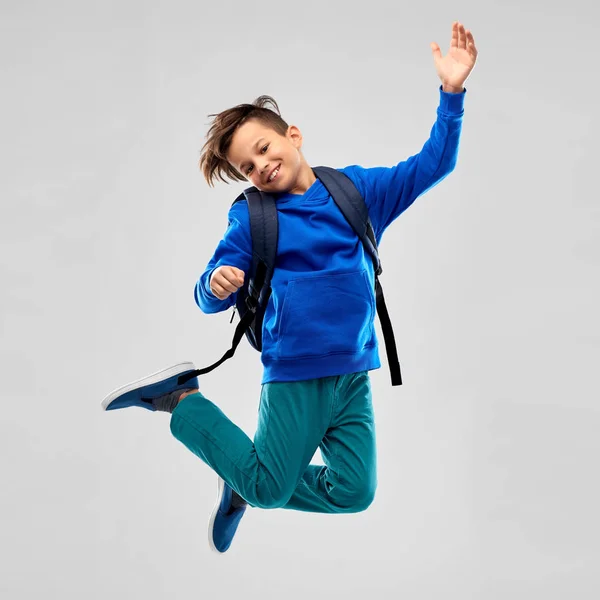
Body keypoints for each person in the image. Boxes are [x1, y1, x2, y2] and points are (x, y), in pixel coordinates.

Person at [101, 22, 478, 554]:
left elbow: (433, 164)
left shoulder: (358, 191)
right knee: (267, 486)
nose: (261, 167)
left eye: (264, 148)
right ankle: (180, 400)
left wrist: (452, 94)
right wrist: (217, 283)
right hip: (295, 375)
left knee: (353, 492)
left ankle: (241, 476)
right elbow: (205, 295)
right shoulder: (253, 220)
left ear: (292, 135)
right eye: (246, 167)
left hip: (352, 373)